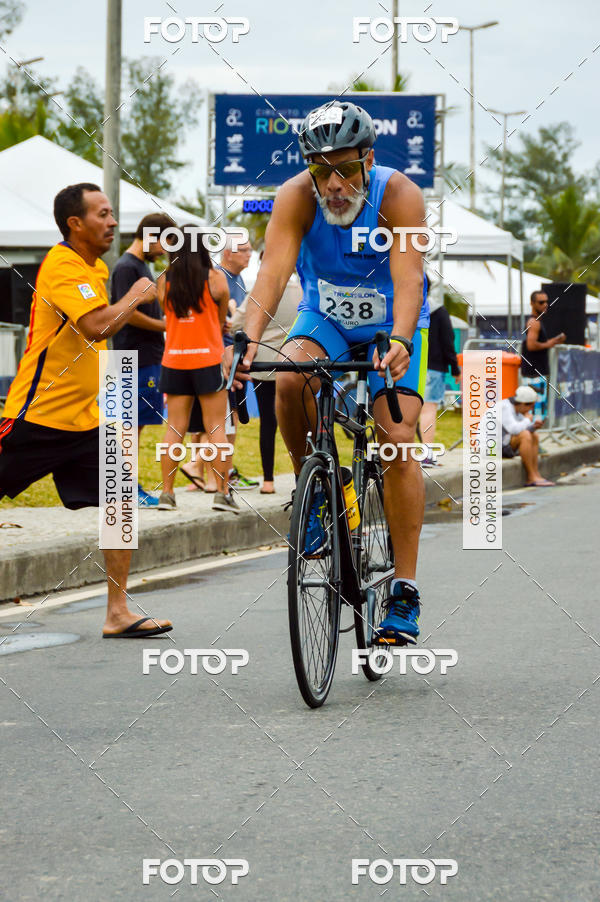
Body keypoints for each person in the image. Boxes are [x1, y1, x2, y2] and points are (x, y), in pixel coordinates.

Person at [225, 100, 429, 646]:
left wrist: (405, 339)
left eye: (344, 169)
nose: (333, 184)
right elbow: (271, 273)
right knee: (291, 377)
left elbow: (409, 278)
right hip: (328, 317)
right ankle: (317, 489)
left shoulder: (400, 194)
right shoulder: (295, 196)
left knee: (396, 438)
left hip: (395, 321)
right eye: (320, 170)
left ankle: (403, 592)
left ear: (368, 158)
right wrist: (245, 335)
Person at [0, 183, 172, 637]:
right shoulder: (62, 264)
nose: (112, 221)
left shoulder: (93, 268)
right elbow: (97, 327)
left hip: (86, 421)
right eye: (102, 213)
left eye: (112, 212)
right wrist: (136, 295)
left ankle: (118, 611)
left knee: (120, 502)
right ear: (75, 223)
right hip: (36, 417)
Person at [157, 226, 239, 514]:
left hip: (174, 360)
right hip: (208, 360)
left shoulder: (164, 280)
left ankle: (166, 494)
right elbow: (219, 321)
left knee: (174, 428)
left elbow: (169, 319)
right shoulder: (215, 278)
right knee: (216, 427)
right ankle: (222, 493)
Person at [110, 212, 176, 507]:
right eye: (163, 243)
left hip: (147, 356)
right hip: (132, 357)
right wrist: (165, 326)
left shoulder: (143, 267)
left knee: (135, 426)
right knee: (128, 425)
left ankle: (130, 486)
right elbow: (125, 312)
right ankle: (127, 489)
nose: (163, 250)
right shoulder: (126, 267)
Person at [231, 272, 301, 493]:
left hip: (263, 363)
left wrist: (233, 311)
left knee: (267, 424)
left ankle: (268, 481)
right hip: (294, 361)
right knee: (299, 422)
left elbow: (236, 325)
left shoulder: (258, 292)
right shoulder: (301, 291)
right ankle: (303, 473)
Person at [218, 237, 259, 491]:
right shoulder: (219, 277)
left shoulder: (239, 279)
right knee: (226, 417)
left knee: (226, 417)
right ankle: (221, 473)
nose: (249, 254)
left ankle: (216, 472)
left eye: (250, 250)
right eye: (243, 250)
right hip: (222, 357)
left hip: (236, 355)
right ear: (228, 254)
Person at [419, 298, 460, 467]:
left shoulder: (407, 305)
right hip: (433, 368)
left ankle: (396, 455)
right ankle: (427, 454)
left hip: (410, 366)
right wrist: (455, 369)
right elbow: (448, 341)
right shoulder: (439, 311)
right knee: (428, 411)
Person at [521, 289, 566, 417]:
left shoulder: (537, 322)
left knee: (538, 413)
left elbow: (537, 342)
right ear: (532, 304)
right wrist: (550, 344)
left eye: (546, 302)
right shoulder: (534, 322)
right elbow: (531, 344)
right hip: (533, 374)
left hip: (536, 372)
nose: (545, 304)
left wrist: (553, 341)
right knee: (535, 415)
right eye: (541, 302)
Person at [501, 385, 553, 486]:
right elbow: (514, 429)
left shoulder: (517, 409)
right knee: (525, 435)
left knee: (534, 435)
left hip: (504, 443)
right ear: (523, 404)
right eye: (531, 407)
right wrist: (527, 420)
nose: (530, 410)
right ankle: (531, 476)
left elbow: (521, 429)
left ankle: (536, 474)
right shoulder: (505, 408)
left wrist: (533, 427)